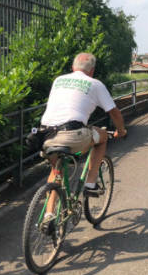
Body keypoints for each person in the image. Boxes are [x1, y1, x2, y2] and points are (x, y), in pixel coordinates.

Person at [39, 52, 127, 219]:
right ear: (92, 70)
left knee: (56, 171)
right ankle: (91, 183)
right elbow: (114, 113)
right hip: (72, 134)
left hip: (45, 135)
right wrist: (121, 131)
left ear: (73, 67)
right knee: (102, 137)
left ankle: (49, 215)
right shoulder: (95, 84)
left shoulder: (58, 80)